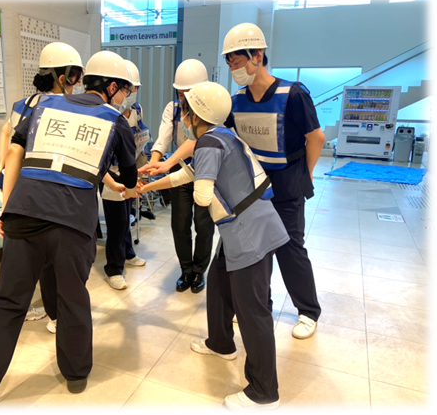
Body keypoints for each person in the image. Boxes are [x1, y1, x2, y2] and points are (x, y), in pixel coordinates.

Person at [0, 49, 138, 414]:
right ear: (112, 87)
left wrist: (7, 209)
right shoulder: (116, 121)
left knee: (8, 305)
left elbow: (15, 154)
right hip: (73, 222)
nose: (126, 97)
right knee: (72, 299)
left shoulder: (43, 106)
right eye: (126, 90)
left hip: (24, 213)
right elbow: (129, 177)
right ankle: (75, 374)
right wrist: (122, 180)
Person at [138, 81, 289, 414]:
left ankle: (264, 391)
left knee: (253, 312)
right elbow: (186, 175)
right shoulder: (223, 136)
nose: (183, 116)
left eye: (185, 109)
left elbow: (202, 194)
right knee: (219, 284)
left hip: (249, 234)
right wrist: (146, 187)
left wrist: (197, 189)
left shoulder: (208, 142)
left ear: (195, 115)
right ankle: (220, 343)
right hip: (245, 229)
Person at [222, 23, 324, 339]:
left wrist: (306, 173)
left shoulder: (292, 94)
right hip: (253, 188)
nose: (233, 68)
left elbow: (316, 137)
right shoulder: (236, 101)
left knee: (290, 248)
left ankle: (308, 311)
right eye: (229, 63)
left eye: (237, 60)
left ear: (258, 55)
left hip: (288, 184)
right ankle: (259, 304)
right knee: (255, 250)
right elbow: (220, 136)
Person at [0, 42, 86, 332]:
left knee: (19, 257)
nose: (78, 83)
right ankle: (55, 315)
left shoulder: (22, 104)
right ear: (63, 76)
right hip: (41, 190)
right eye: (76, 76)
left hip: (13, 187)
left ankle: (24, 307)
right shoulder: (64, 107)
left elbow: (7, 133)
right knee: (49, 259)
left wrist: (1, 165)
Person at [141, 59, 214, 294]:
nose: (184, 98)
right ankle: (186, 270)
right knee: (180, 223)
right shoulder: (172, 109)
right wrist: (153, 164)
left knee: (203, 224)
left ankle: (200, 270)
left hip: (205, 171)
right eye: (181, 93)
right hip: (178, 168)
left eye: (189, 93)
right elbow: (163, 139)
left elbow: (197, 142)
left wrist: (165, 164)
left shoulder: (213, 109)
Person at [99, 59, 147, 290]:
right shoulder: (106, 113)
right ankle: (113, 269)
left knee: (127, 216)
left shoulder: (136, 110)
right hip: (110, 174)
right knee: (116, 223)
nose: (132, 92)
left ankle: (128, 253)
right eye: (130, 88)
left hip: (129, 169)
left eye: (135, 88)